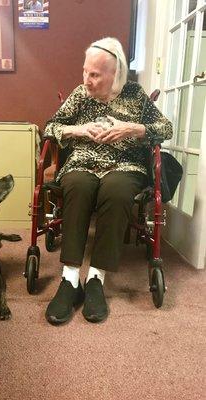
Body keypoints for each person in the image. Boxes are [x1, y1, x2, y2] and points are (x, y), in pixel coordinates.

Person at [44, 37, 173, 325]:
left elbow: (166, 128)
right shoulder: (80, 95)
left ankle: (95, 280)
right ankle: (69, 280)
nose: (86, 80)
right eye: (85, 72)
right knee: (77, 186)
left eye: (94, 75)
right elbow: (50, 127)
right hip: (82, 162)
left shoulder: (135, 95)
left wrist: (134, 129)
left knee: (116, 192)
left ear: (115, 75)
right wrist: (79, 130)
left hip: (125, 165)